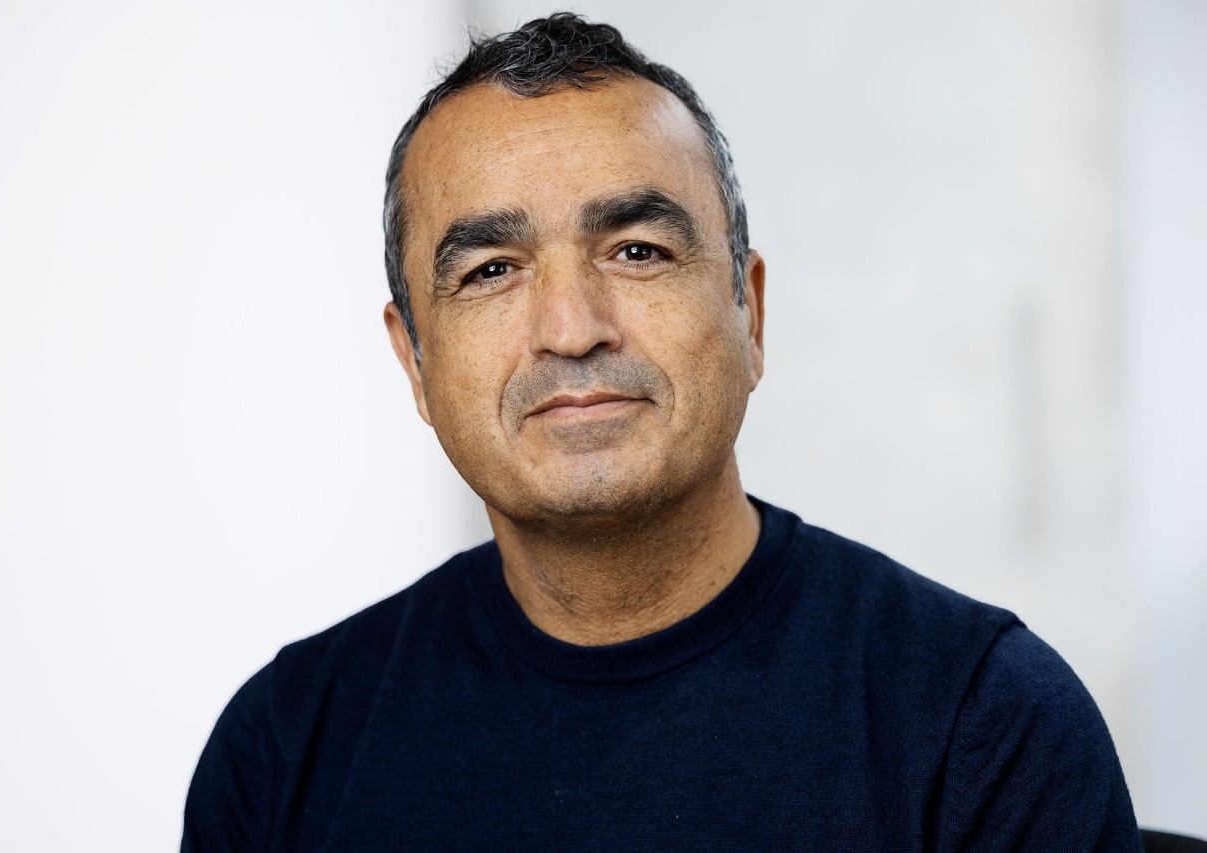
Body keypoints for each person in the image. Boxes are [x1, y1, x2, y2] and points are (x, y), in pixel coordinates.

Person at [182, 13, 1140, 851]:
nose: (571, 328)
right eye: (490, 270)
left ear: (749, 313)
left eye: (637, 250)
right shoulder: (283, 750)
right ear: (414, 361)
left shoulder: (983, 723)